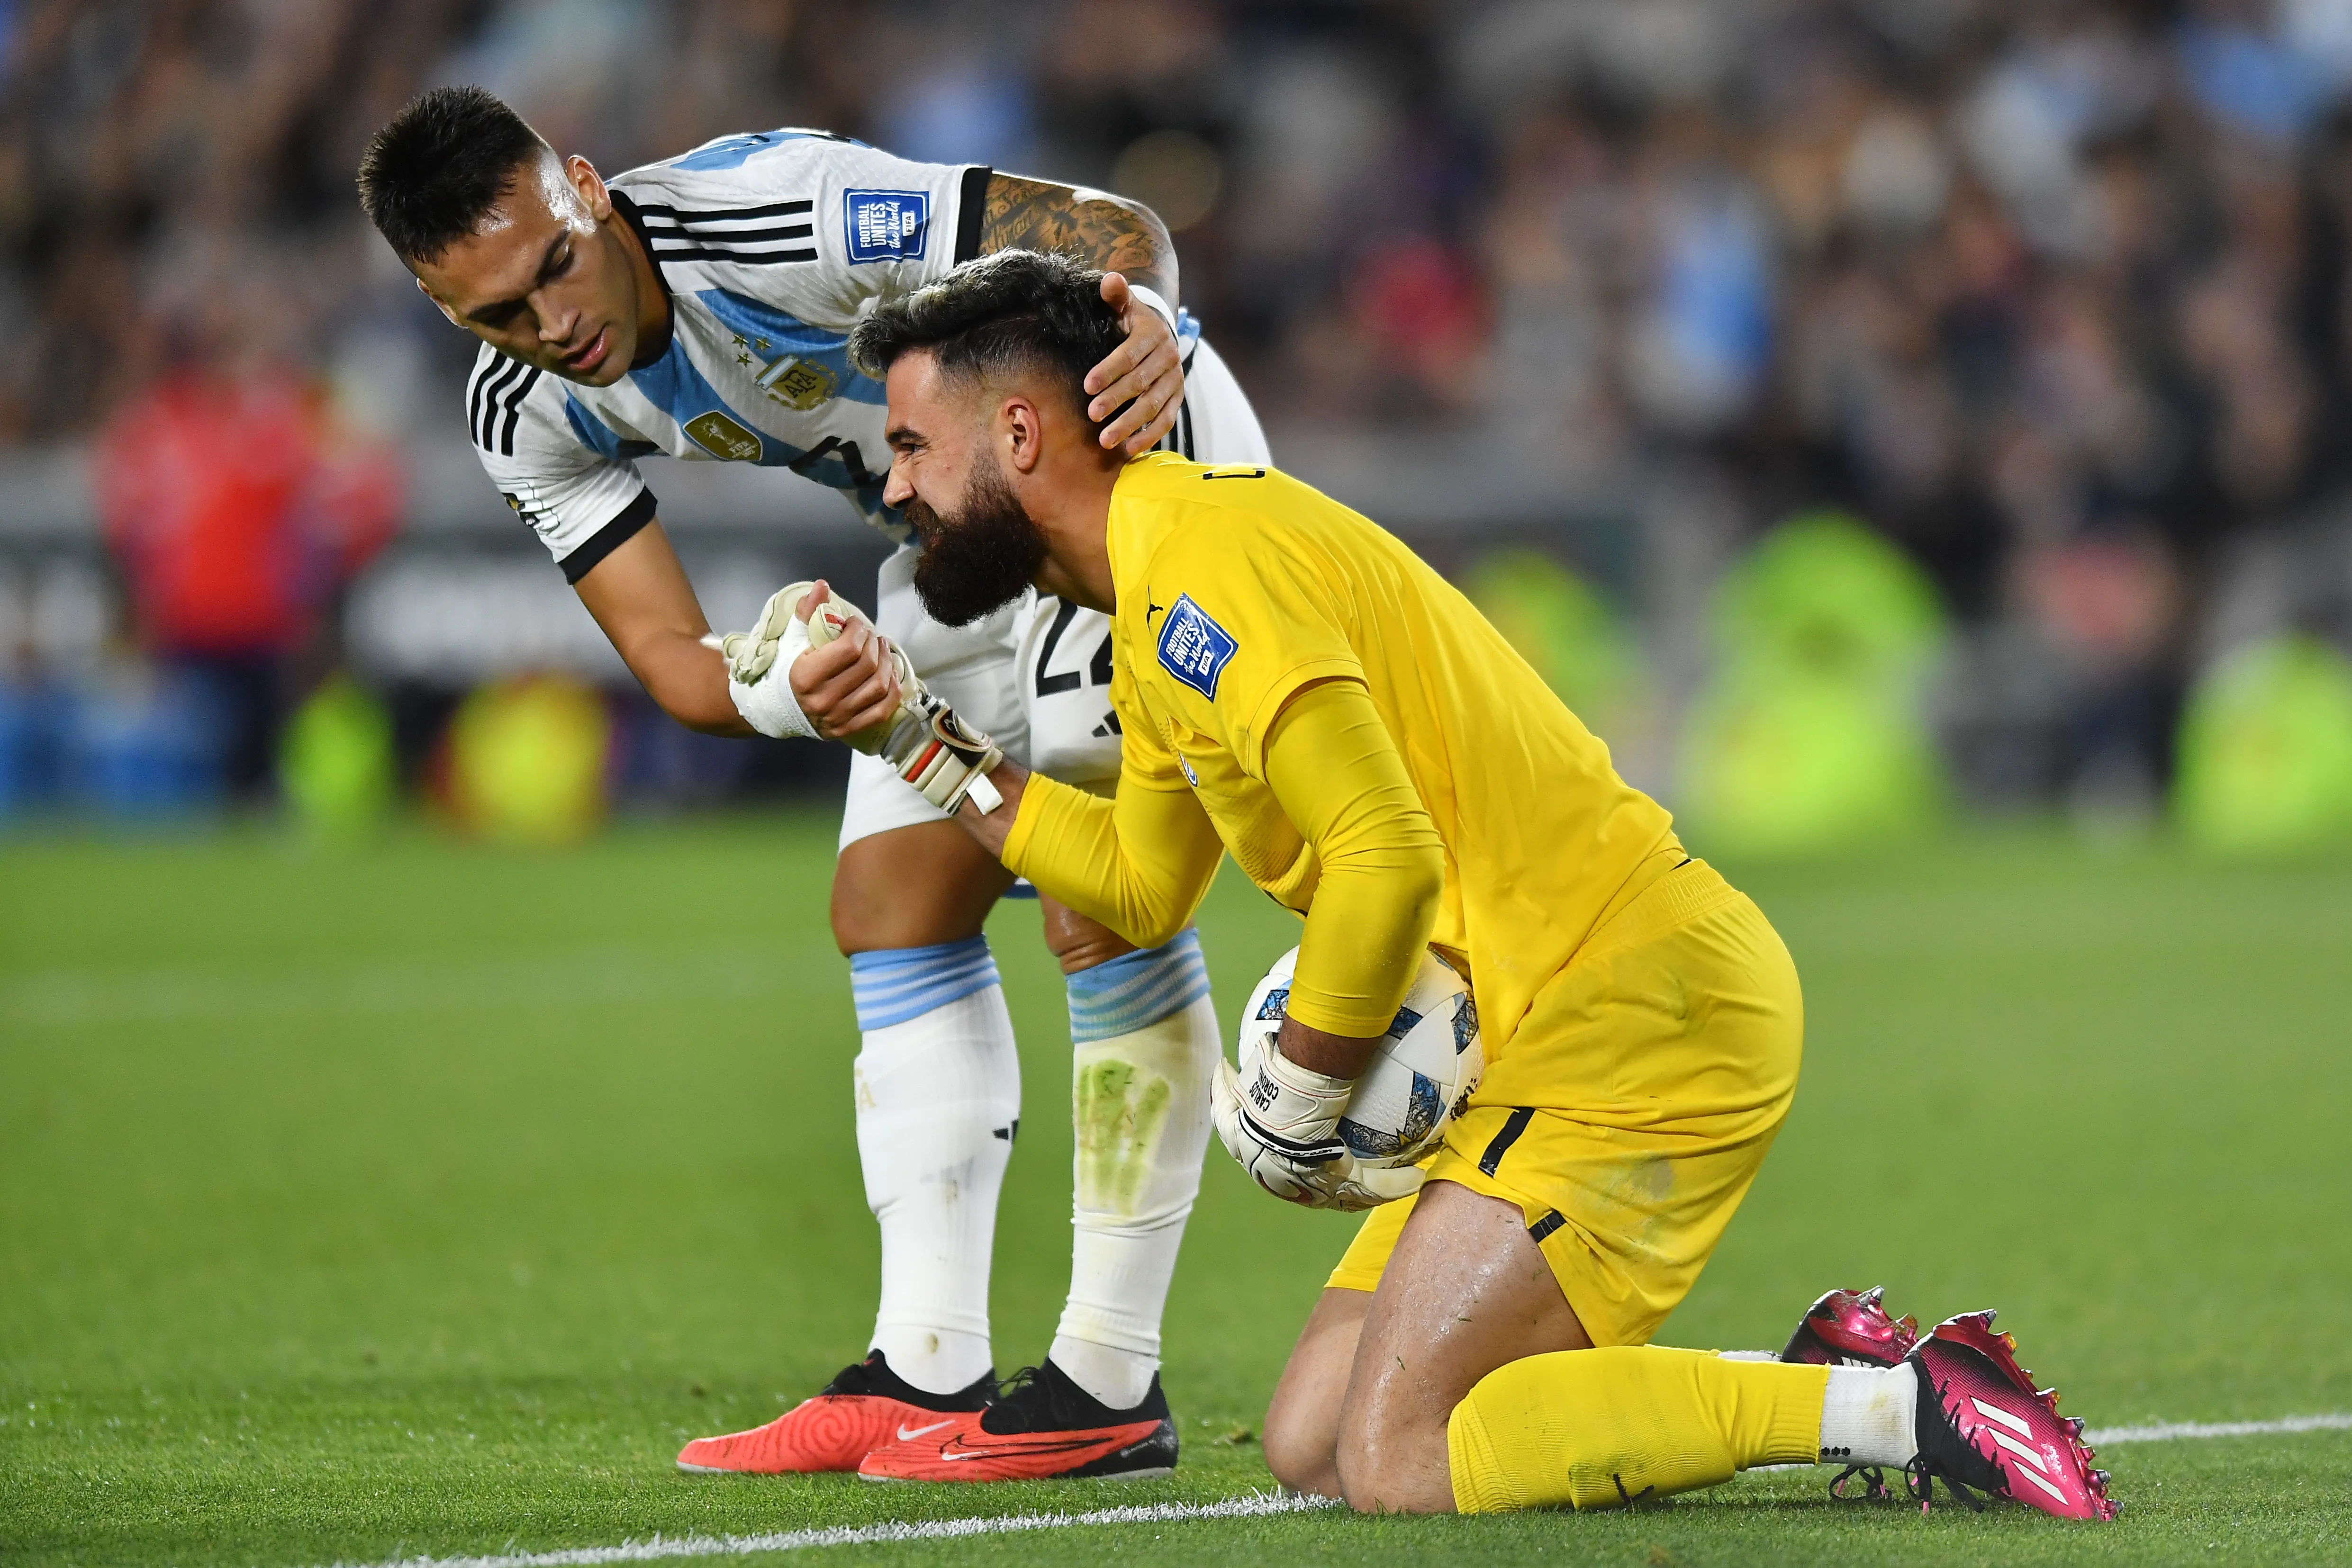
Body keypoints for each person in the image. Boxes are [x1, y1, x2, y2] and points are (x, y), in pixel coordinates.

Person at [797, 246, 2118, 1518]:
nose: (895, 486)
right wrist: (921, 741)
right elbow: (1140, 885)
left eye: (912, 446)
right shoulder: (1152, 595)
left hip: (1635, 1003)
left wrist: (1301, 1101)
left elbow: (1384, 856)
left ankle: (1906, 1407)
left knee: (1400, 1457)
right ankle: (1821, 1372)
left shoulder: (1205, 568)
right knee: (1312, 1439)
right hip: (1548, 1024)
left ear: (1021, 435)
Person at [355, 87, 1270, 1480]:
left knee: (1097, 890)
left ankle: (1107, 1374)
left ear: (586, 191)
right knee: (890, 904)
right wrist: (779, 690)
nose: (552, 326)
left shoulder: (777, 208)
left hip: (1121, 467)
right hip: (953, 525)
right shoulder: (523, 407)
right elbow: (669, 655)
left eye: (552, 265)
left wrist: (1146, 312)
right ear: (445, 314)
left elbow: (1104, 226)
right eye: (494, 314)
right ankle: (926, 1363)